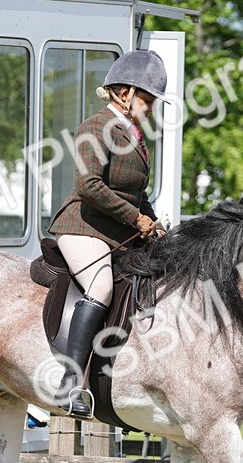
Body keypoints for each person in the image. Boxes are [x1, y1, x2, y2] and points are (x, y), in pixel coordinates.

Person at [46, 49, 167, 417]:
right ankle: (69, 384)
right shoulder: (95, 127)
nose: (151, 109)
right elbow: (89, 186)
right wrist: (137, 220)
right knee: (100, 287)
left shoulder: (134, 136)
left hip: (117, 232)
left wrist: (154, 224)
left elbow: (136, 194)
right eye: (148, 100)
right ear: (125, 93)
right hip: (82, 226)